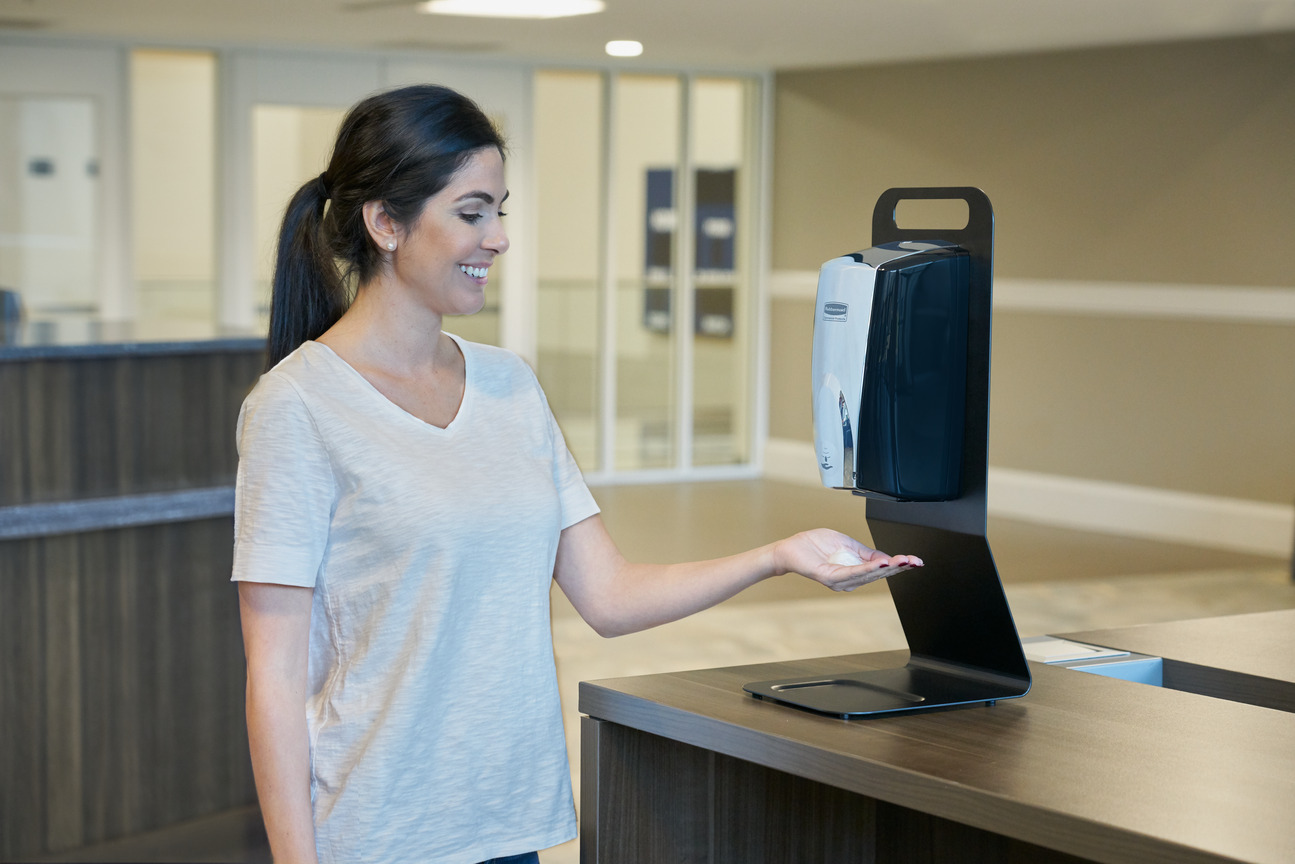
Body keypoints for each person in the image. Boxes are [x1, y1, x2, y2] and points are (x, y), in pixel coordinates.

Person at [232, 84, 922, 864]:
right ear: (385, 223)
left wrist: (776, 555)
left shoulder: (509, 386)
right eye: (471, 213)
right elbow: (274, 679)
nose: (498, 238)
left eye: (500, 211)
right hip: (378, 835)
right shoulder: (296, 406)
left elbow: (608, 595)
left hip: (508, 825)